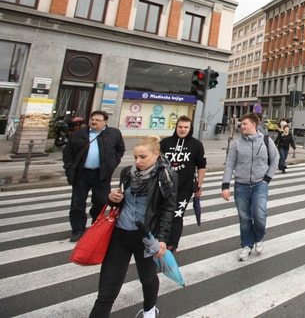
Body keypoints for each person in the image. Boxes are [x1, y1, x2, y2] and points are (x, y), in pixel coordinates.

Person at [89, 135, 177, 318]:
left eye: (143, 157)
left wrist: (162, 240)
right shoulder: (127, 173)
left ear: (156, 154)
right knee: (107, 289)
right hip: (120, 235)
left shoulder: (167, 177)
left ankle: (150, 310)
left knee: (148, 278)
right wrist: (112, 199)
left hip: (146, 237)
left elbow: (168, 210)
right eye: (135, 157)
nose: (138, 161)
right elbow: (121, 202)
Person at [221, 112, 279, 261]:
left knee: (259, 214)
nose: (242, 127)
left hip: (260, 184)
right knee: (245, 217)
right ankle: (246, 245)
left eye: (245, 124)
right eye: (241, 124)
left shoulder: (266, 141)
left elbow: (275, 159)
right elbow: (229, 165)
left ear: (253, 124)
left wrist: (267, 178)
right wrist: (225, 185)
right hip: (241, 185)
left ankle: (259, 238)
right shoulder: (237, 144)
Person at [63, 110, 125, 243]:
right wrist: (69, 167)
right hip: (81, 173)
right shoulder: (79, 134)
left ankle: (96, 228)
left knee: (101, 202)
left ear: (105, 122)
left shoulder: (113, 134)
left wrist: (112, 164)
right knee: (77, 203)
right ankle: (77, 230)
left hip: (101, 174)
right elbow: (68, 152)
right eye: (92, 119)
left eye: (98, 120)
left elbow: (120, 149)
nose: (94, 122)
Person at [159, 115, 207, 252]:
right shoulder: (165, 143)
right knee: (161, 213)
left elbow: (201, 165)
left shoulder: (196, 145)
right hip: (164, 186)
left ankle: (172, 244)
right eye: (180, 127)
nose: (182, 130)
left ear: (190, 128)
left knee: (177, 215)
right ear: (176, 127)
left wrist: (199, 184)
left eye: (186, 127)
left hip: (184, 187)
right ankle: (159, 239)